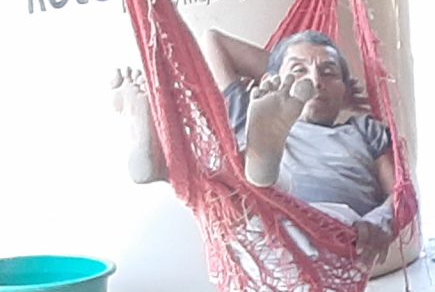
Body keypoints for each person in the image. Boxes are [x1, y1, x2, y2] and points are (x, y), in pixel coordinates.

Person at [112, 26, 399, 262]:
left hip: (337, 231)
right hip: (260, 226)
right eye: (299, 71)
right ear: (270, 80)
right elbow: (213, 40)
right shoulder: (254, 112)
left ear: (345, 90)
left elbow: (400, 192)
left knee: (250, 181)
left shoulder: (363, 129)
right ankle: (164, 154)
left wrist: (382, 219)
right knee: (232, 177)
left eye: (329, 73)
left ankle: (172, 165)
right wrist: (286, 80)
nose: (315, 81)